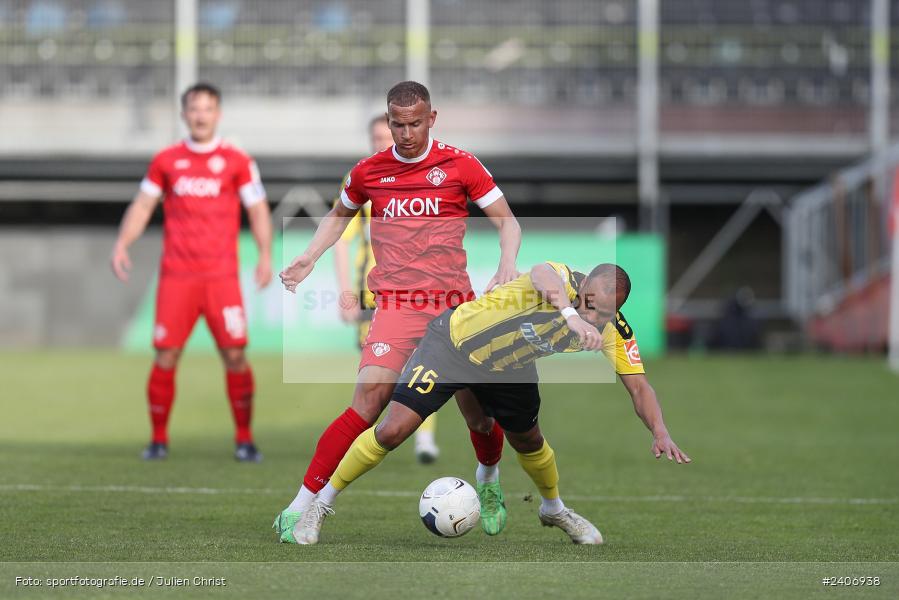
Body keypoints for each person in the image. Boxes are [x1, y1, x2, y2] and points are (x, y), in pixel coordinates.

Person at [275, 81, 522, 544]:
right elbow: (339, 214)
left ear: (432, 118)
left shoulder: (461, 164)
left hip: (453, 310)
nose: (405, 133)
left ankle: (488, 483)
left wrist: (507, 262)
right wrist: (310, 256)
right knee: (366, 405)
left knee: (480, 417)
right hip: (396, 307)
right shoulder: (370, 171)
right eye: (397, 124)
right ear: (388, 121)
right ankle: (301, 506)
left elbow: (507, 221)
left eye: (414, 123)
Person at [310, 262, 691, 545]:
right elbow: (542, 273)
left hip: (511, 367)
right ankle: (319, 505)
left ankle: (554, 510)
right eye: (589, 303)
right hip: (452, 344)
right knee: (393, 430)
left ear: (617, 309)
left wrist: (660, 431)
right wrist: (573, 317)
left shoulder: (614, 332)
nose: (593, 316)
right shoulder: (559, 280)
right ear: (584, 284)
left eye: (603, 313)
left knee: (528, 441)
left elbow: (640, 387)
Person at [111, 82, 272, 462]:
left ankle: (245, 440)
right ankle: (158, 440)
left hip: (221, 278)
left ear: (218, 114)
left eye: (207, 108)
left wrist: (265, 254)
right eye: (194, 109)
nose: (200, 115)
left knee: (235, 355)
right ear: (184, 114)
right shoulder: (166, 160)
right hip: (177, 277)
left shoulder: (237, 161)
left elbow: (259, 209)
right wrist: (122, 242)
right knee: (166, 355)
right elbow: (143, 205)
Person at [332, 114, 440, 464]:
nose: (382, 143)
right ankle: (369, 439)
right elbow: (340, 240)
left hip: (413, 293)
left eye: (385, 136)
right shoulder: (360, 180)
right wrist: (345, 292)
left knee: (420, 365)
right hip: (371, 294)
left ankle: (423, 438)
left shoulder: (419, 178)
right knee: (376, 376)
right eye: (376, 137)